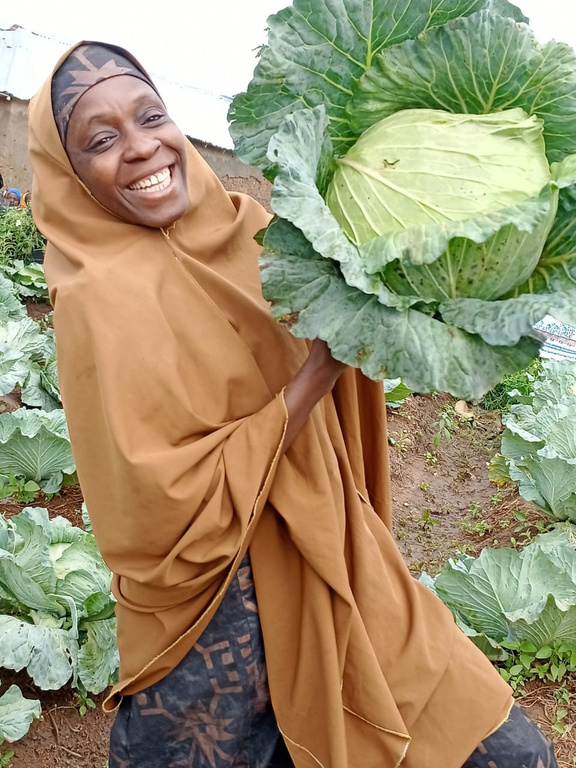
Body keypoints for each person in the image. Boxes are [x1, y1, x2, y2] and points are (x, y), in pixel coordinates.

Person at [28, 42, 557, 768]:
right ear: (69, 175)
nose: (143, 147)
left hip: (334, 550)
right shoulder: (96, 300)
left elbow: (364, 342)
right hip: (214, 613)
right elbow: (159, 505)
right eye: (101, 139)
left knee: (509, 753)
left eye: (151, 116)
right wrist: (316, 371)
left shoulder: (249, 228)